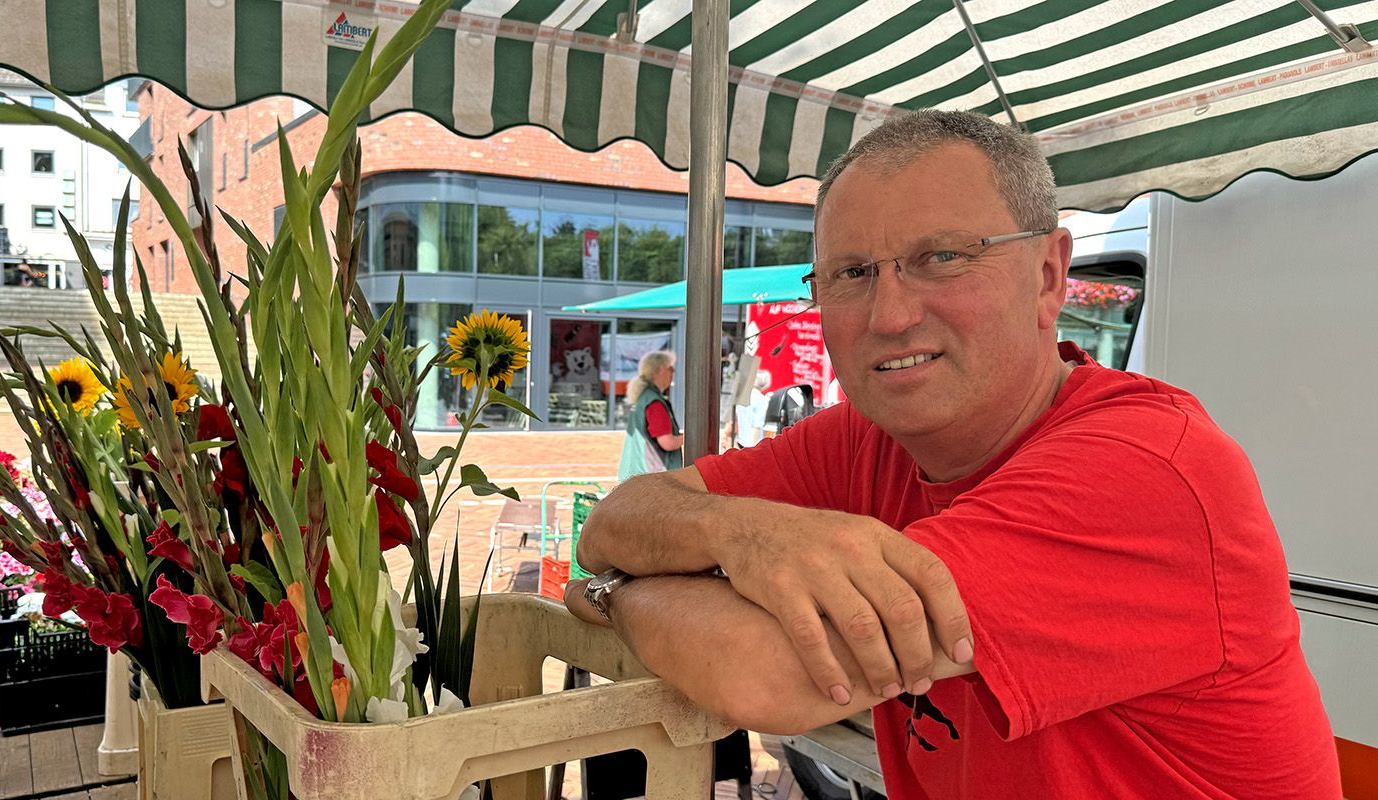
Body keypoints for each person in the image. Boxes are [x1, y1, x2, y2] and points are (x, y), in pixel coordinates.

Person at [566, 110, 1339, 798]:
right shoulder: (869, 438)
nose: (891, 314)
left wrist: (611, 593)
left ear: (1049, 275)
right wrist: (741, 533)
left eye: (942, 257)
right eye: (852, 273)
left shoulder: (1146, 471)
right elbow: (616, 521)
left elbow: (761, 671)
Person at [616, 350, 684, 481]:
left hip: (636, 477)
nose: (673, 371)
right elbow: (667, 443)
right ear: (660, 371)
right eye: (670, 368)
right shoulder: (654, 403)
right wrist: (689, 437)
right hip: (652, 479)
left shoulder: (644, 398)